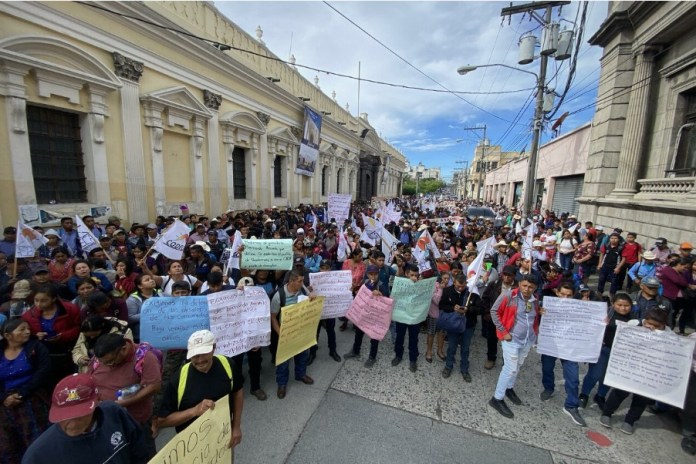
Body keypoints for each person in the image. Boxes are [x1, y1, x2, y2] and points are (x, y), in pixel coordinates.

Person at [22, 373, 148, 464]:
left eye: (79, 415)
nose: (71, 423)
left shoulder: (114, 413)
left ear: (98, 400)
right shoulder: (37, 456)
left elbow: (140, 451)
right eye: (64, 415)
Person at [156, 330, 243, 451]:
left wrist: (236, 426)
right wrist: (194, 411)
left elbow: (238, 391)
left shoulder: (227, 364)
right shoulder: (179, 378)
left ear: (213, 348)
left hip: (224, 437)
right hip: (193, 448)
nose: (200, 360)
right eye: (195, 355)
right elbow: (162, 420)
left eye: (204, 353)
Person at [599, 309, 671, 434]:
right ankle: (607, 413)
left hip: (649, 372)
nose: (651, 327)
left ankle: (630, 421)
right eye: (648, 324)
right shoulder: (633, 324)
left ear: (664, 325)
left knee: (642, 398)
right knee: (619, 392)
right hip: (630, 368)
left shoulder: (670, 336)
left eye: (657, 326)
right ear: (644, 320)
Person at [90, 333, 161, 459]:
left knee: (144, 457)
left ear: (123, 349)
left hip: (135, 421)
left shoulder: (145, 357)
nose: (107, 366)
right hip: (105, 421)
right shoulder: (102, 357)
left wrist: (121, 404)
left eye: (111, 362)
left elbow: (153, 386)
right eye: (103, 363)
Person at [488, 276, 542, 419]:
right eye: (524, 285)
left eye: (530, 287)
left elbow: (533, 317)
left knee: (518, 365)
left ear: (535, 288)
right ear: (519, 284)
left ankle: (509, 388)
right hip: (511, 338)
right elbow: (494, 311)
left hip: (527, 340)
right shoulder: (509, 295)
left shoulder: (535, 299)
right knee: (510, 368)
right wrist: (503, 331)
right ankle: (497, 399)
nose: (527, 289)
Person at [0, 319, 51, 463]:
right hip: (6, 403)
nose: (27, 332)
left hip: (31, 397)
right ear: (8, 335)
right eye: (21, 329)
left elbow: (43, 371)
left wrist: (22, 393)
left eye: (28, 328)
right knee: (7, 445)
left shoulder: (36, 347)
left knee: (36, 438)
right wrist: (4, 398)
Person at [539, 283, 586, 427]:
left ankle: (571, 405)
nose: (565, 298)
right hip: (550, 345)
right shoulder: (546, 306)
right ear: (557, 292)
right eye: (562, 294)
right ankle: (548, 387)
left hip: (569, 348)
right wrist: (540, 313)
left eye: (569, 295)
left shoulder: (580, 309)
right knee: (547, 368)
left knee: (572, 377)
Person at [580, 292, 636, 410]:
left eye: (626, 305)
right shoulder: (605, 313)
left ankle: (600, 396)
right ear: (613, 304)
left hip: (621, 353)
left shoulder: (635, 318)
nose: (623, 308)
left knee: (608, 376)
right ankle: (584, 394)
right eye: (619, 305)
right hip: (603, 349)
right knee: (594, 374)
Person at [22, 285, 81, 391]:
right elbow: (26, 334)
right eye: (36, 300)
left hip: (67, 349)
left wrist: (63, 336)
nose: (39, 304)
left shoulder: (70, 309)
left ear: (54, 299)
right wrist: (36, 335)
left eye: (44, 300)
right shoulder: (29, 315)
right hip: (44, 352)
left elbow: (78, 328)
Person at [270, 270, 313, 398]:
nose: (302, 283)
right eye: (300, 281)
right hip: (286, 334)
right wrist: (280, 333)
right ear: (291, 281)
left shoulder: (303, 290)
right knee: (284, 361)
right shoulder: (279, 296)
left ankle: (301, 375)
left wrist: (312, 297)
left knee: (302, 355)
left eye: (302, 281)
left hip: (301, 332)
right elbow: (273, 317)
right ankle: (282, 384)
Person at [439, 273, 483, 382]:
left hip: (468, 325)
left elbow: (480, 309)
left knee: (465, 348)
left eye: (463, 286)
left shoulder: (472, 293)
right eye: (458, 286)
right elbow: (442, 306)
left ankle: (464, 369)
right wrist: (453, 308)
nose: (460, 288)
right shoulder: (447, 291)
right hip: (453, 325)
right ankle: (449, 366)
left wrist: (468, 310)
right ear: (454, 282)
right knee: (452, 346)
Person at [344, 264, 388, 368]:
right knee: (358, 333)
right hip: (363, 314)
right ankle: (355, 351)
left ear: (378, 274)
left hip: (375, 316)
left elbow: (387, 298)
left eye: (375, 274)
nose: (373, 276)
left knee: (374, 337)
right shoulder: (365, 283)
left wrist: (380, 294)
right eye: (371, 274)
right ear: (367, 274)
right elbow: (360, 295)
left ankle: (372, 356)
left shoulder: (381, 284)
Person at [481, 265, 518, 370]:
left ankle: (506, 361)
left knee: (508, 341)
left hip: (509, 319)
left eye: (509, 276)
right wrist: (487, 313)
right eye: (504, 275)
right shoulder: (494, 284)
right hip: (494, 317)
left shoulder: (518, 288)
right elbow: (485, 298)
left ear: (514, 276)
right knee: (492, 339)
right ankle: (491, 358)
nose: (506, 278)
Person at [308, 260, 342, 365]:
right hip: (317, 310)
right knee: (315, 332)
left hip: (330, 309)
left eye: (327, 268)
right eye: (322, 268)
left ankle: (333, 350)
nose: (324, 270)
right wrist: (309, 290)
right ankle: (312, 353)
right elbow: (308, 294)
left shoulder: (335, 279)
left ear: (330, 269)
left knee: (331, 331)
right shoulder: (314, 279)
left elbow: (341, 290)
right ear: (320, 268)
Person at [392, 265, 422, 372]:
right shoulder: (400, 284)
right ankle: (398, 355)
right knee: (399, 336)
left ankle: (413, 359)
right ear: (406, 274)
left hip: (414, 318)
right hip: (402, 316)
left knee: (414, 338)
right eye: (411, 275)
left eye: (416, 275)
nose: (414, 277)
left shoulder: (421, 285)